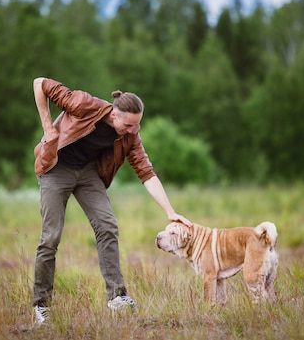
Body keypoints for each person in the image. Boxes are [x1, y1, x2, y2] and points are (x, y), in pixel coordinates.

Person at [31, 77, 191, 325]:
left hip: (87, 174)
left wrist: (170, 211)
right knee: (51, 237)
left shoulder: (130, 136)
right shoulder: (83, 104)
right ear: (115, 115)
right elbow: (39, 83)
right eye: (129, 125)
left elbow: (146, 173)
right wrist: (48, 128)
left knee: (107, 226)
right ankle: (41, 305)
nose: (133, 131)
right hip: (56, 168)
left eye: (137, 126)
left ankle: (117, 297)